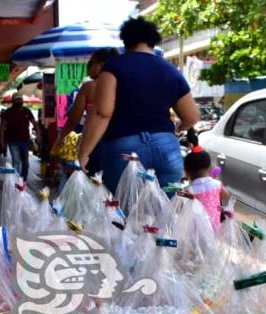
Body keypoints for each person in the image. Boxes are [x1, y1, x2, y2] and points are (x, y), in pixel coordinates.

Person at [78, 17, 200, 193]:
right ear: (153, 40)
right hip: (167, 149)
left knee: (120, 211)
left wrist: (84, 153)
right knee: (166, 209)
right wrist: (180, 127)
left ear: (125, 40)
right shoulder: (170, 70)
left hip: (124, 148)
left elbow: (102, 113)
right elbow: (192, 116)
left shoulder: (114, 66)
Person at [56, 47, 119, 174]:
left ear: (101, 65)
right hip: (118, 144)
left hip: (93, 144)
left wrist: (59, 143)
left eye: (91, 63)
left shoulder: (89, 87)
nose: (88, 68)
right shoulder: (122, 85)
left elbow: (73, 120)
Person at [184, 147, 230, 231]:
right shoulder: (216, 184)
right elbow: (226, 195)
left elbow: (182, 210)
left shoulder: (189, 191)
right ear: (209, 168)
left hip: (197, 230)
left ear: (187, 171)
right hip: (215, 227)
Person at [0, 93, 39, 181]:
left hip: (25, 140)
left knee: (25, 163)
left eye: (20, 99)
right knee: (16, 162)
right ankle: (17, 181)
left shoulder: (27, 111)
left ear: (22, 101)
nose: (18, 101)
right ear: (13, 101)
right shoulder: (8, 112)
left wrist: (38, 136)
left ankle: (23, 180)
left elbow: (35, 124)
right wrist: (2, 142)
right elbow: (2, 128)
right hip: (12, 141)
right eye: (16, 100)